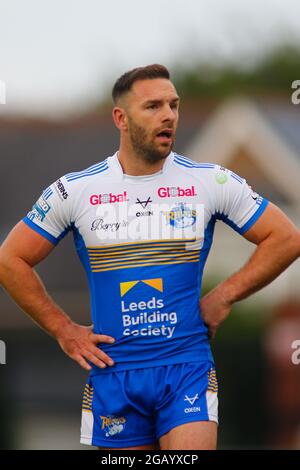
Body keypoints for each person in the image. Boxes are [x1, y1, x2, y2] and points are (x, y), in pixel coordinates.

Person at [0, 64, 300, 451]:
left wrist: (225, 295)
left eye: (174, 105)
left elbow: (286, 237)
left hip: (186, 365)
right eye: (154, 106)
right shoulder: (74, 191)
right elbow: (10, 259)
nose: (168, 115)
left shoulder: (209, 181)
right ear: (120, 118)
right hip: (114, 372)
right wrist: (63, 329)